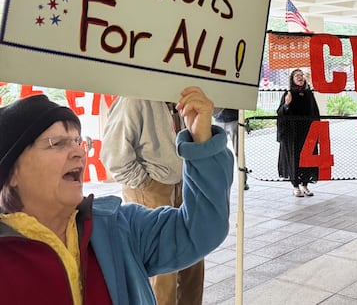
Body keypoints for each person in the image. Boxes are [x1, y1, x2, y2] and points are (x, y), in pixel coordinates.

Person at [0, 88, 233, 304]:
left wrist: (202, 144)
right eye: (57, 143)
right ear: (11, 173)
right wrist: (147, 184)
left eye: (79, 142)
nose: (79, 153)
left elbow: (200, 230)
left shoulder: (120, 227)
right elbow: (117, 157)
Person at [101, 97, 206, 304]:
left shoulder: (180, 95)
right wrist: (145, 182)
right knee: (163, 269)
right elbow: (113, 156)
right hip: (152, 185)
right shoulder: (134, 99)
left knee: (194, 256)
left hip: (182, 181)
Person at [277, 69, 319, 197]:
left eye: (301, 75)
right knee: (295, 158)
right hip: (293, 134)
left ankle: (305, 185)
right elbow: (280, 112)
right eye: (297, 75)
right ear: (292, 79)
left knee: (308, 157)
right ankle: (296, 186)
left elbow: (315, 112)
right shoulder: (288, 93)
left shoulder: (308, 93)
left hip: (307, 132)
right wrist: (286, 105)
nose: (300, 77)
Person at [214, 108, 249, 190]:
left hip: (234, 119)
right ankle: (219, 181)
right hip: (219, 119)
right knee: (219, 153)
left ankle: (242, 180)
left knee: (238, 152)